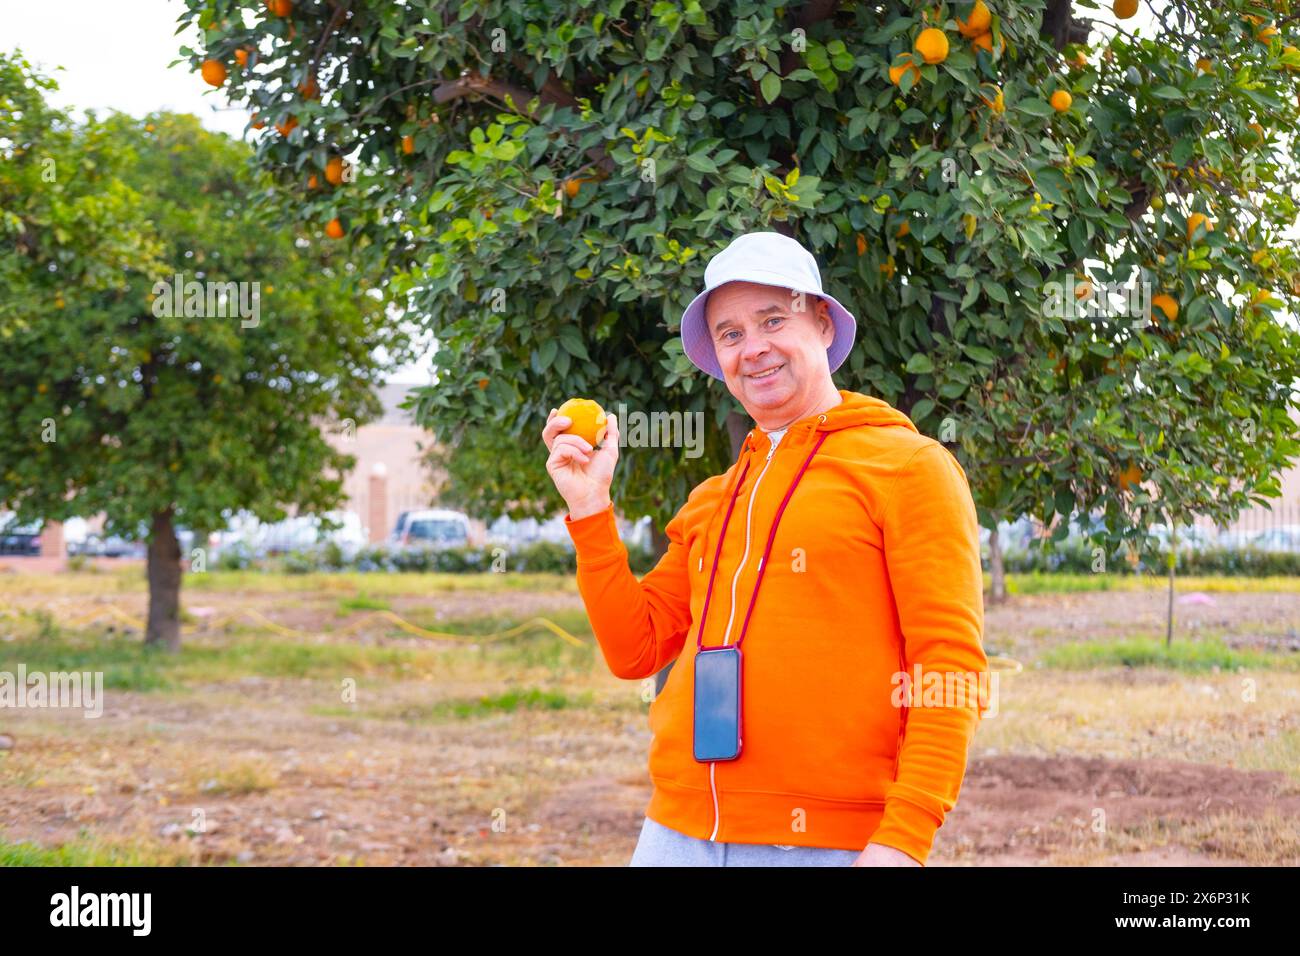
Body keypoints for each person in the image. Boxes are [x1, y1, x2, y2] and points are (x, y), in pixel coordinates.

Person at [541, 231, 987, 866]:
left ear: (824, 323)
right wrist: (589, 508)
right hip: (675, 833)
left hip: (824, 845)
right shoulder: (712, 497)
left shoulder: (910, 467)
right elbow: (634, 650)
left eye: (773, 320)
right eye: (730, 334)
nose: (754, 348)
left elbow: (949, 665)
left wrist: (905, 840)